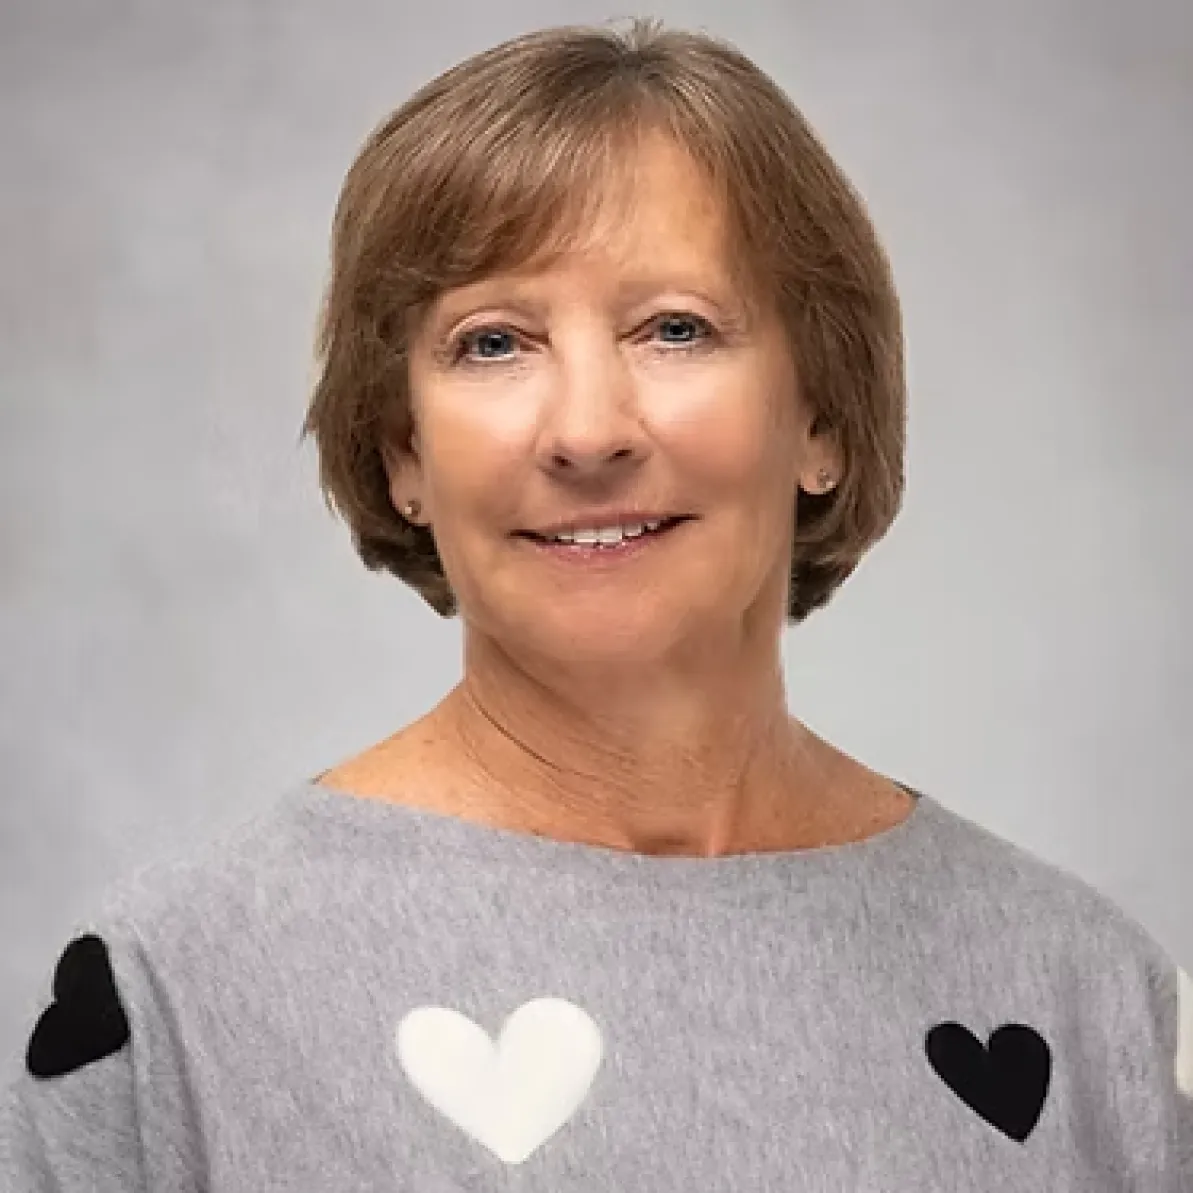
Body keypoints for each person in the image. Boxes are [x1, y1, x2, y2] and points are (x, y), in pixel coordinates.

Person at [2, 16, 1190, 1190]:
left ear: (818, 417)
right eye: (491, 343)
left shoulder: (1087, 997)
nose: (585, 431)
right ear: (401, 451)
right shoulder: (169, 997)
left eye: (674, 329)